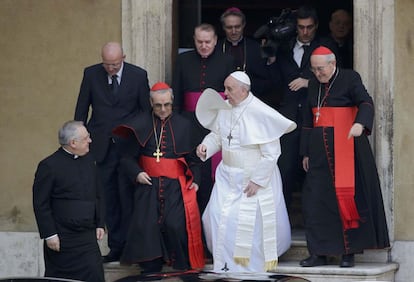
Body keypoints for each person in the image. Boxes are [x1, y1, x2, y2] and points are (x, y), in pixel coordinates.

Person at [196, 71, 296, 272]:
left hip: (253, 179)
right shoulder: (226, 109)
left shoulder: (260, 112)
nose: (225, 94)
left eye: (229, 89)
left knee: (245, 224)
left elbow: (271, 153)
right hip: (227, 177)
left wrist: (258, 180)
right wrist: (206, 146)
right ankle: (224, 265)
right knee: (213, 216)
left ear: (243, 90)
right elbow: (218, 135)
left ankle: (249, 269)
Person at [299, 46, 390, 268]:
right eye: (314, 69)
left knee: (347, 200)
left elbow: (366, 102)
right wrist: (305, 152)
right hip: (319, 153)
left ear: (332, 64)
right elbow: (308, 120)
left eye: (321, 69)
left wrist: (360, 123)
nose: (317, 73)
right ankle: (318, 253)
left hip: (346, 147)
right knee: (315, 202)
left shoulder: (350, 78)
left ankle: (348, 253)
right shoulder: (313, 84)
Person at [112, 82, 205, 274]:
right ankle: (151, 268)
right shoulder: (140, 123)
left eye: (167, 105)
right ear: (150, 103)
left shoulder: (184, 125)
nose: (163, 110)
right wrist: (137, 173)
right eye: (158, 105)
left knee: (175, 224)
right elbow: (126, 158)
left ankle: (178, 265)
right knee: (147, 227)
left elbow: (194, 159)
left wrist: (195, 180)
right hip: (148, 186)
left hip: (175, 187)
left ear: (172, 102)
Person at [74, 42, 151, 263]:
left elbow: (145, 112)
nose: (110, 68)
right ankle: (116, 246)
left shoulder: (138, 75)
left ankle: (132, 247)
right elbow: (82, 107)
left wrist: (140, 142)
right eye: (107, 64)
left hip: (128, 148)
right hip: (101, 146)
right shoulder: (91, 74)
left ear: (123, 58)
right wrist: (80, 140)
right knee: (108, 199)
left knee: (129, 198)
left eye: (115, 64)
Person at [270, 5, 338, 212]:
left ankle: (317, 221)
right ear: (295, 27)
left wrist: (309, 82)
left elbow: (337, 79)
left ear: (316, 26)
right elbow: (272, 82)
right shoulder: (283, 47)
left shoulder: (326, 46)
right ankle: (284, 220)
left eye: (309, 27)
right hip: (288, 118)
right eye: (301, 27)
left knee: (316, 171)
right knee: (285, 170)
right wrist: (269, 58)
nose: (305, 32)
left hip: (315, 118)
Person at [172, 23, 235, 214]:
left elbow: (231, 98)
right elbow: (176, 91)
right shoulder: (183, 60)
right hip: (188, 122)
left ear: (215, 41)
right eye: (199, 42)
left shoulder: (227, 61)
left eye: (208, 42)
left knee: (211, 174)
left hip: (215, 125)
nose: (204, 45)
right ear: (194, 40)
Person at [33, 120, 105, 281]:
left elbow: (98, 194)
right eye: (86, 138)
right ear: (73, 143)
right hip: (62, 238)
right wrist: (49, 234)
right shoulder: (49, 166)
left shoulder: (90, 162)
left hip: (87, 237)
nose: (90, 141)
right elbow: (40, 203)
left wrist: (100, 222)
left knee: (95, 274)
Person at [217, 7, 273, 102]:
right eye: (229, 27)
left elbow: (264, 79)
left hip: (250, 98)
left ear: (243, 25)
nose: (234, 31)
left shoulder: (255, 48)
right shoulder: (216, 48)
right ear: (223, 27)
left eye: (237, 27)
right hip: (224, 99)